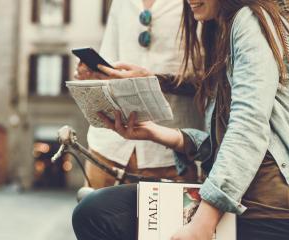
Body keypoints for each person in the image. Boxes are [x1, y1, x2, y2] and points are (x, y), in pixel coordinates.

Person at [72, 0, 289, 240]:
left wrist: (204, 221)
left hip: (262, 214)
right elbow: (224, 141)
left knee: (97, 217)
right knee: (96, 212)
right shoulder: (224, 28)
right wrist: (161, 134)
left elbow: (249, 128)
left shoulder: (250, 20)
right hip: (241, 202)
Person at [75, 0, 203, 190]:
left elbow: (214, 80)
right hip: (107, 149)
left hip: (170, 154)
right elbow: (109, 60)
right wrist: (92, 74)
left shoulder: (201, 4)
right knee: (92, 217)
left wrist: (153, 79)